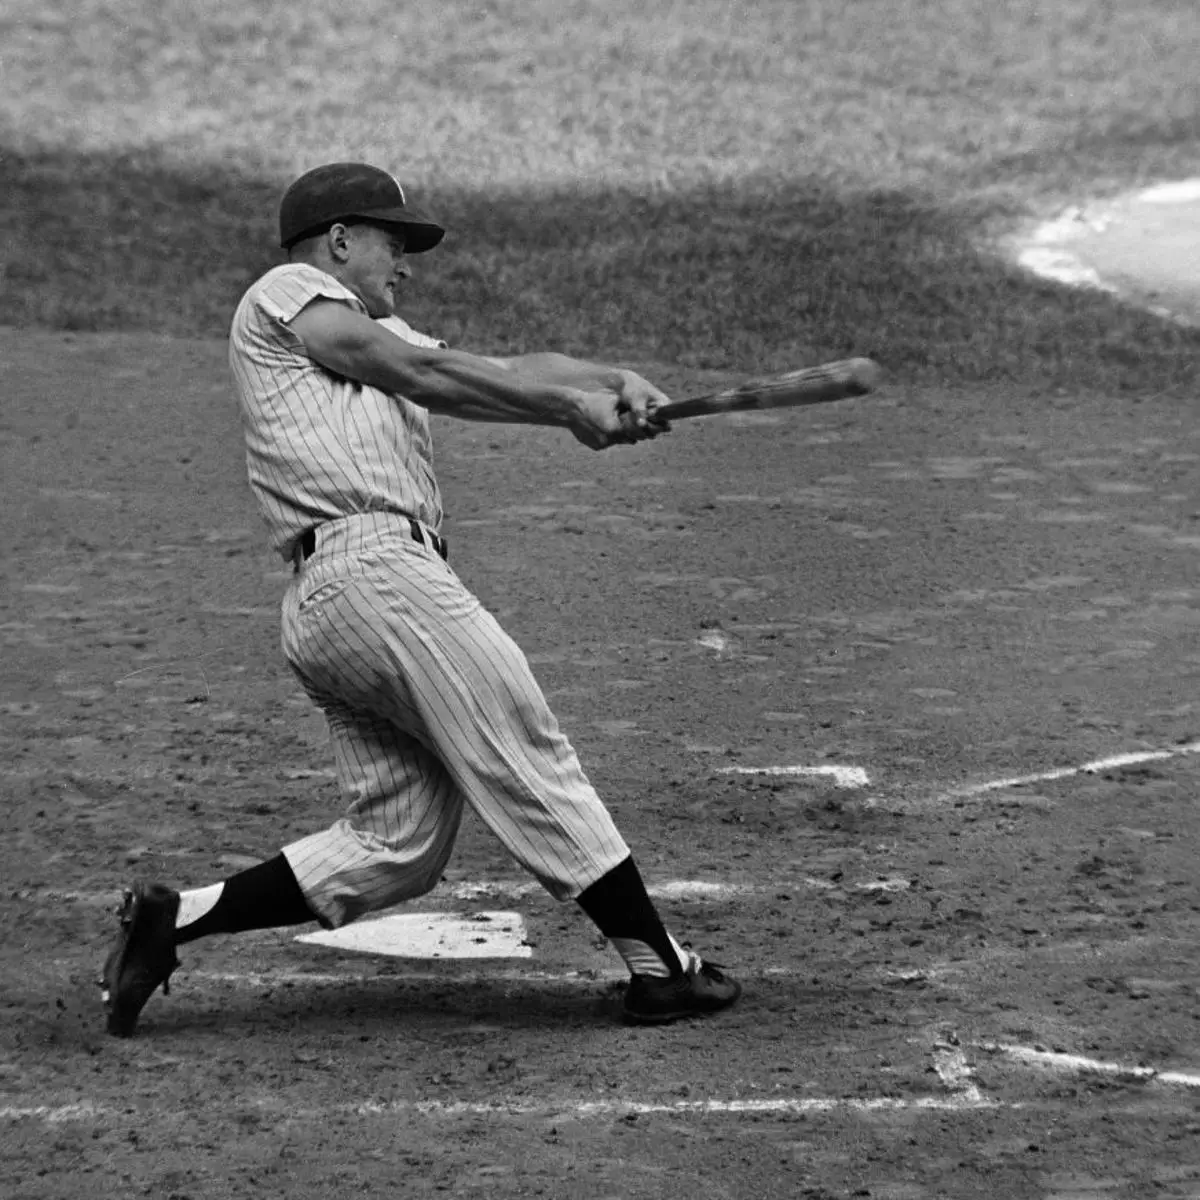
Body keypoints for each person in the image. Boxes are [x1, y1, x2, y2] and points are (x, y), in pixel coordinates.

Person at [101, 162, 741, 1036]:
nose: (404, 263)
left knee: (397, 842)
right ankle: (658, 966)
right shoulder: (288, 295)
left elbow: (493, 366)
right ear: (338, 241)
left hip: (343, 604)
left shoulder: (379, 331)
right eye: (393, 243)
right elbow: (420, 373)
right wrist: (566, 409)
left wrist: (607, 376)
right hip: (376, 583)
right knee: (520, 736)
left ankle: (172, 921)